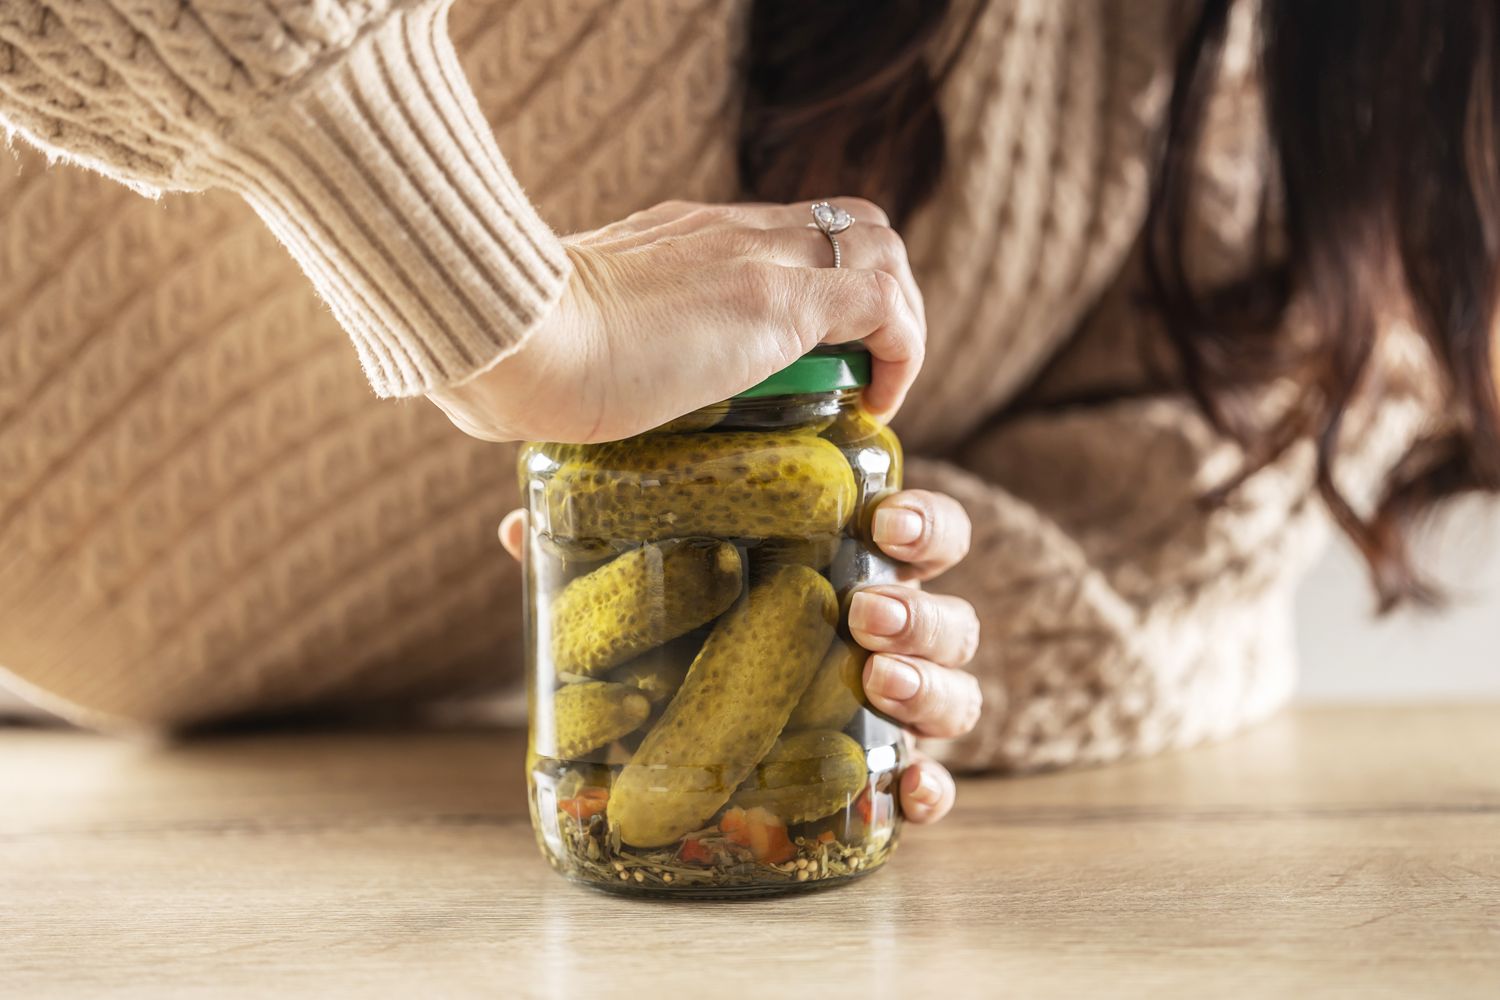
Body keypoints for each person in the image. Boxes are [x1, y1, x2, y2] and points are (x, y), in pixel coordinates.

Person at [0, 0, 1492, 824]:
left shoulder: (1277, 88)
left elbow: (1201, 548)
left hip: (248, 787)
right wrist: (502, 304)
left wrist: (889, 615)